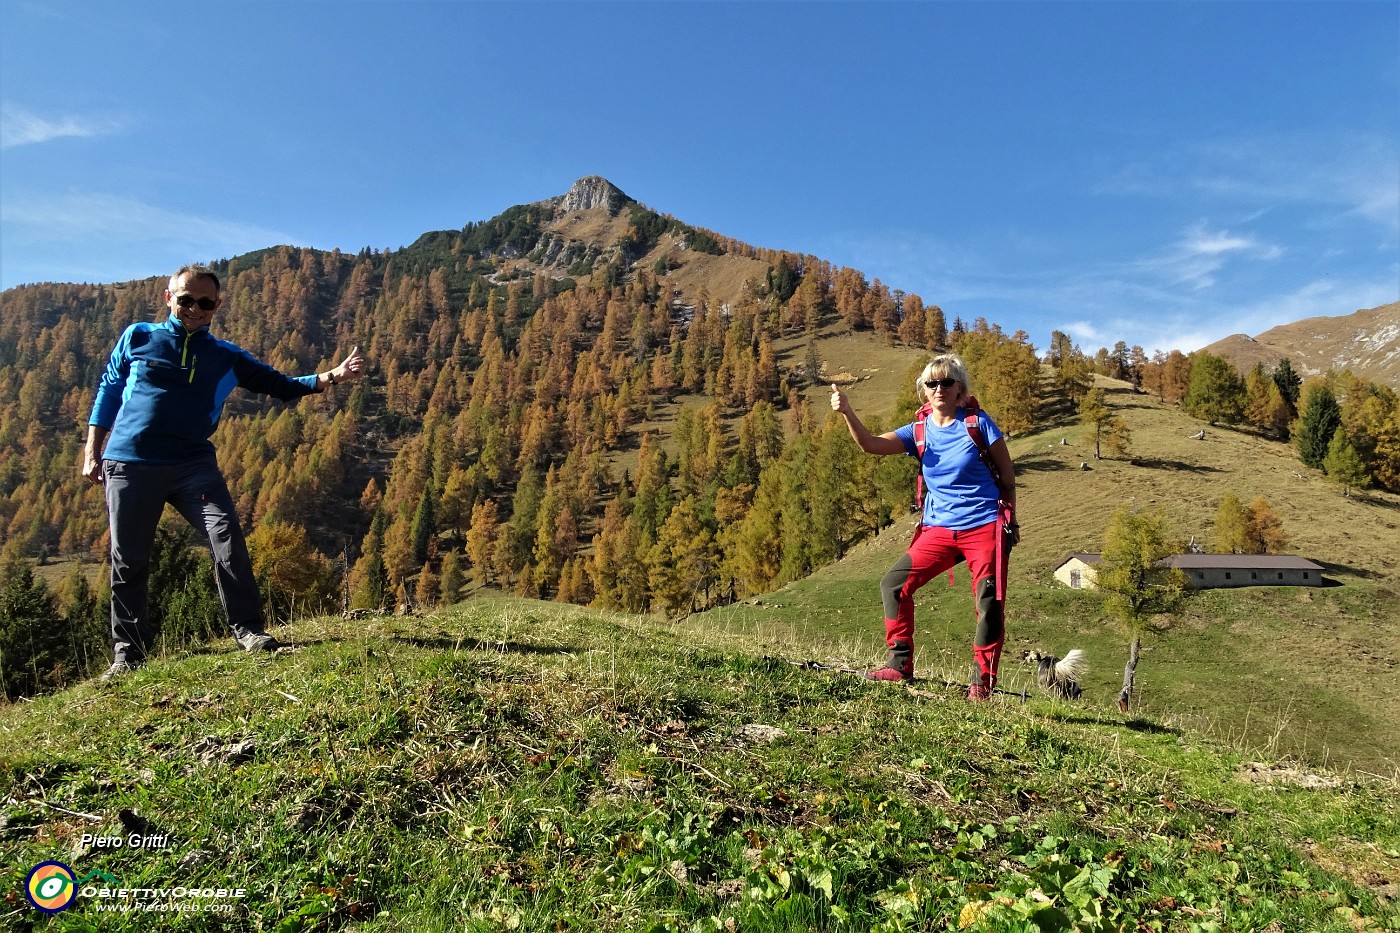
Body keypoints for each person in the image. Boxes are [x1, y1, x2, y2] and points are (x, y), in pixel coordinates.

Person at [81, 264, 367, 682]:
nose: (194, 309)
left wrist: (332, 377)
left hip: (192, 465)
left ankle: (249, 631)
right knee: (129, 559)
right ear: (168, 298)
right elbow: (108, 389)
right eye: (185, 300)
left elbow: (280, 384)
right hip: (130, 463)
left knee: (225, 534)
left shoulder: (226, 356)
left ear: (217, 305)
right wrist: (93, 451)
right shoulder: (138, 336)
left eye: (205, 303)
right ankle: (128, 655)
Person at [831, 353, 1017, 699]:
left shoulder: (978, 424)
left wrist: (1011, 523)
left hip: (983, 526)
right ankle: (898, 664)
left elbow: (1007, 479)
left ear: (960, 388)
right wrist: (848, 413)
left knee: (989, 601)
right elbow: (871, 445)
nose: (939, 388)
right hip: (938, 529)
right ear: (924, 391)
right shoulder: (918, 430)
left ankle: (981, 682)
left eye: (946, 382)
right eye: (932, 383)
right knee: (894, 584)